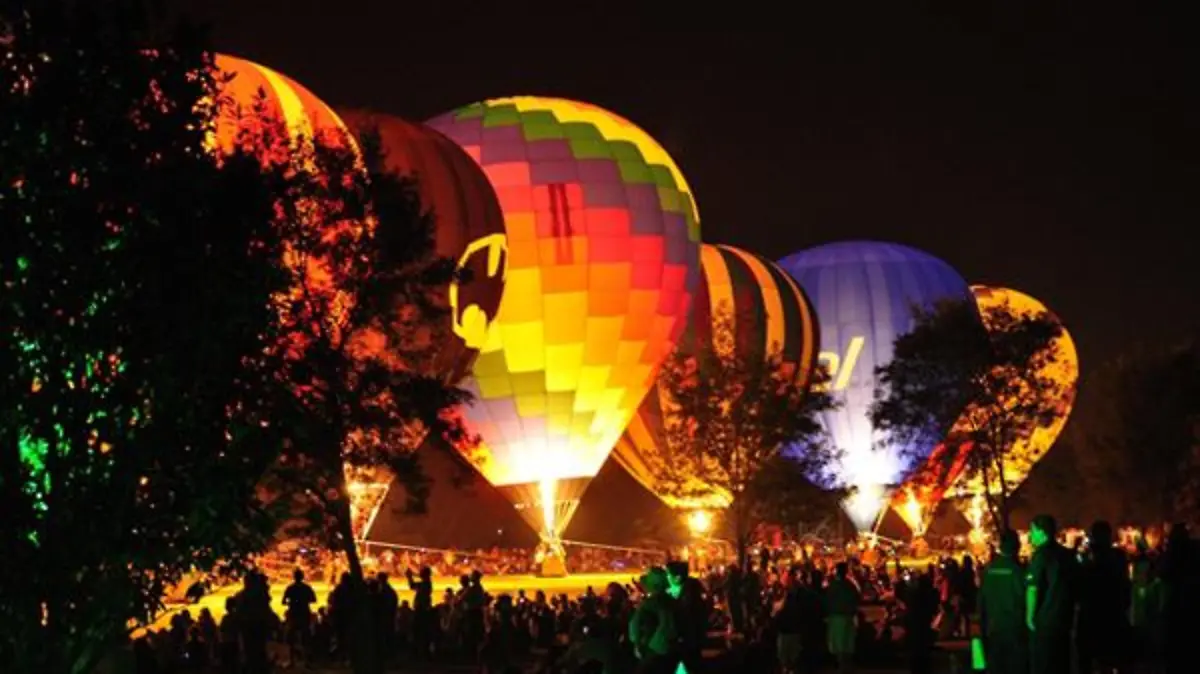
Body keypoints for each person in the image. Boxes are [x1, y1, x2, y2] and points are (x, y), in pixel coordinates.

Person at [1026, 514, 1078, 674]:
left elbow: (1033, 589)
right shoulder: (1068, 556)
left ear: (1042, 532)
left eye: (1033, 531)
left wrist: (1029, 616)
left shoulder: (1041, 556)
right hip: (1064, 619)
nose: (1030, 535)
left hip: (1045, 621)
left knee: (1044, 665)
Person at [1077, 520, 1131, 673]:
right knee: (1111, 658)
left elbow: (1082, 583)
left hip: (1093, 614)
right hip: (1114, 613)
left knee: (1090, 658)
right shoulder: (1118, 557)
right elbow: (1125, 584)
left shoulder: (1089, 558)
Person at [980, 529, 1027, 674]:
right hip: (1015, 627)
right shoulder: (1018, 571)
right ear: (1016, 546)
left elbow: (982, 600)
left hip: (994, 627)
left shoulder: (989, 570)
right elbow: (1025, 597)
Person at [629, 567, 679, 674]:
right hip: (673, 650)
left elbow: (635, 626)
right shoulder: (673, 602)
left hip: (653, 650)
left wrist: (637, 644)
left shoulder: (648, 604)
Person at [824, 561, 859, 673]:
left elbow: (828, 601)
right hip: (846, 617)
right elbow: (856, 598)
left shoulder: (834, 585)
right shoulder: (849, 585)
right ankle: (845, 666)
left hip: (837, 617)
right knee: (846, 644)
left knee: (839, 645)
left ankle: (842, 666)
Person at [283, 568, 318, 665]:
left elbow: (283, 601)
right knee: (305, 637)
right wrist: (304, 601)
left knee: (292, 637)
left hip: (294, 613)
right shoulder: (306, 588)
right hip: (304, 613)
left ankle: (292, 660)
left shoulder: (290, 588)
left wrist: (292, 602)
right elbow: (313, 600)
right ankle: (307, 660)